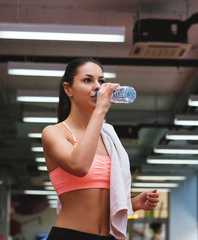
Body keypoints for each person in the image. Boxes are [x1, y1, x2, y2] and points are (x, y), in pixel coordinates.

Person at [42, 57, 160, 240]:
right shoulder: (54, 133)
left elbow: (101, 199)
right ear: (68, 89)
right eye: (88, 80)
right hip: (69, 235)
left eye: (101, 81)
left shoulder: (108, 136)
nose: (97, 86)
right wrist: (100, 111)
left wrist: (132, 203)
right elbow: (79, 166)